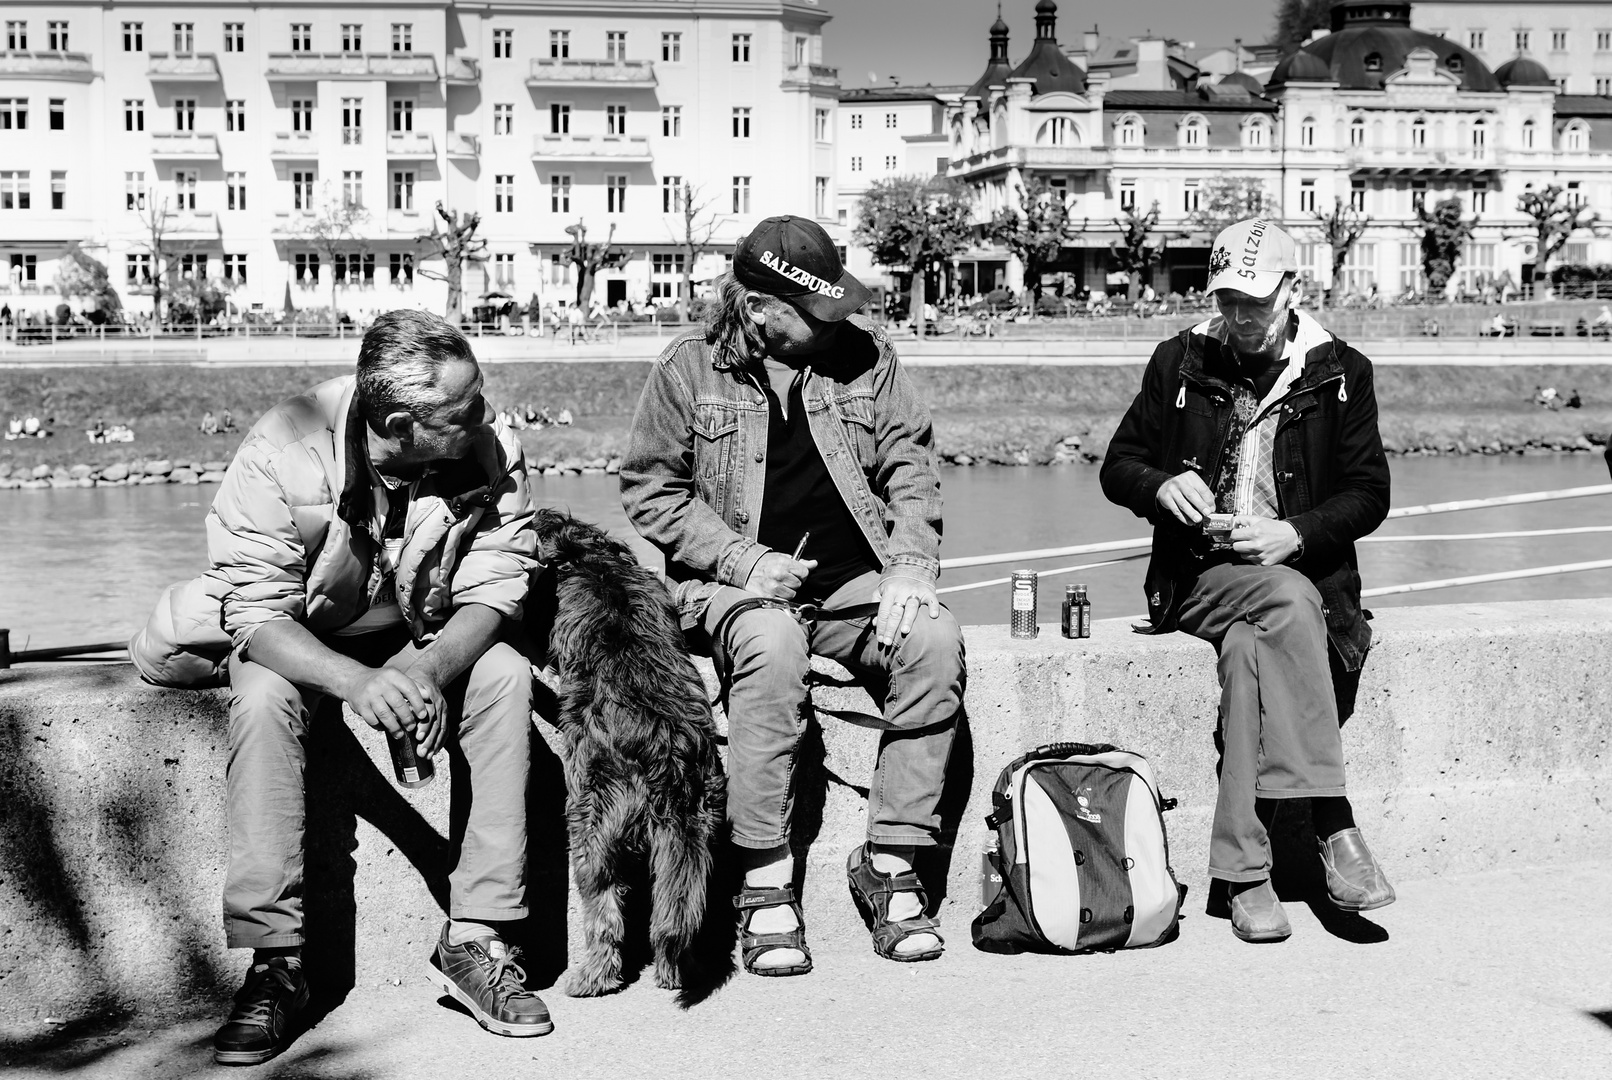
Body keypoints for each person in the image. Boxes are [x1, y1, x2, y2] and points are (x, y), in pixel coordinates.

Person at [621, 215, 965, 975]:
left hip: (855, 581)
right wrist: (745, 562)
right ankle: (766, 878)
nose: (839, 323)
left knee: (934, 642)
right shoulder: (687, 369)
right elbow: (650, 492)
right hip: (729, 587)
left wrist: (911, 562)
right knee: (773, 647)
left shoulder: (869, 358)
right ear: (758, 310)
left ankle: (891, 858)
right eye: (817, 313)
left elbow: (910, 465)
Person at [202, 309, 547, 1063]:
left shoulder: (489, 442)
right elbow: (257, 613)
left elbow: (498, 582)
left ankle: (476, 940)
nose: (485, 413)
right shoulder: (280, 450)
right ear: (399, 423)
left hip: (421, 632)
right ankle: (276, 964)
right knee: (260, 699)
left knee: (504, 676)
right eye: (464, 410)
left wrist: (422, 670)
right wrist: (357, 683)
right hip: (303, 631)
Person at [1101, 219, 1395, 944]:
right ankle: (1333, 820)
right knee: (1287, 597)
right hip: (1199, 578)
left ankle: (1243, 875)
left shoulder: (1340, 371)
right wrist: (1160, 485)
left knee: (1249, 655)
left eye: (1254, 304)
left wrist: (1294, 533)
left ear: (1291, 291)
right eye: (1227, 301)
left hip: (1295, 580)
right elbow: (1118, 465)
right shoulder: (1179, 361)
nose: (1238, 320)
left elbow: (1369, 494)